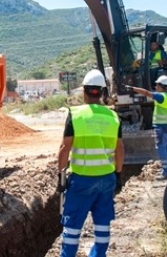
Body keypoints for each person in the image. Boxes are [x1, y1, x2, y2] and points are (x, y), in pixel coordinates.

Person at [57, 69, 125, 257]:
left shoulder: (76, 114)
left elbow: (65, 149)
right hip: (106, 180)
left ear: (85, 91)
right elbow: (120, 150)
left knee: (72, 225)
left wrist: (60, 176)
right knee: (102, 223)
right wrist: (118, 175)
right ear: (103, 92)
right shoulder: (113, 117)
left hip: (82, 180)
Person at [126, 75, 167, 180]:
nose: (156, 86)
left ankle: (165, 172)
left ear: (162, 86)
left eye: (157, 84)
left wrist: (133, 88)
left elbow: (146, 93)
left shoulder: (161, 96)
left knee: (161, 147)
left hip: (161, 127)